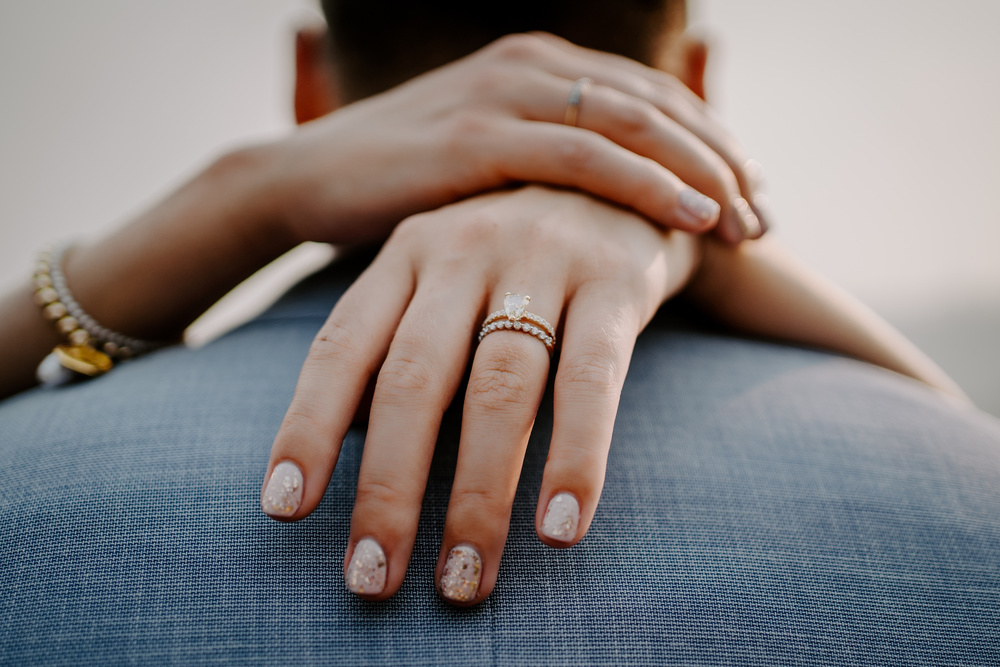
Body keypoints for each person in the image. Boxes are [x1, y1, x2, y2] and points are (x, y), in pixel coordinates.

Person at [1, 0, 998, 664]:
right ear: (692, 85)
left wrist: (239, 198)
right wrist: (698, 234)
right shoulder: (965, 496)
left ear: (307, 83)